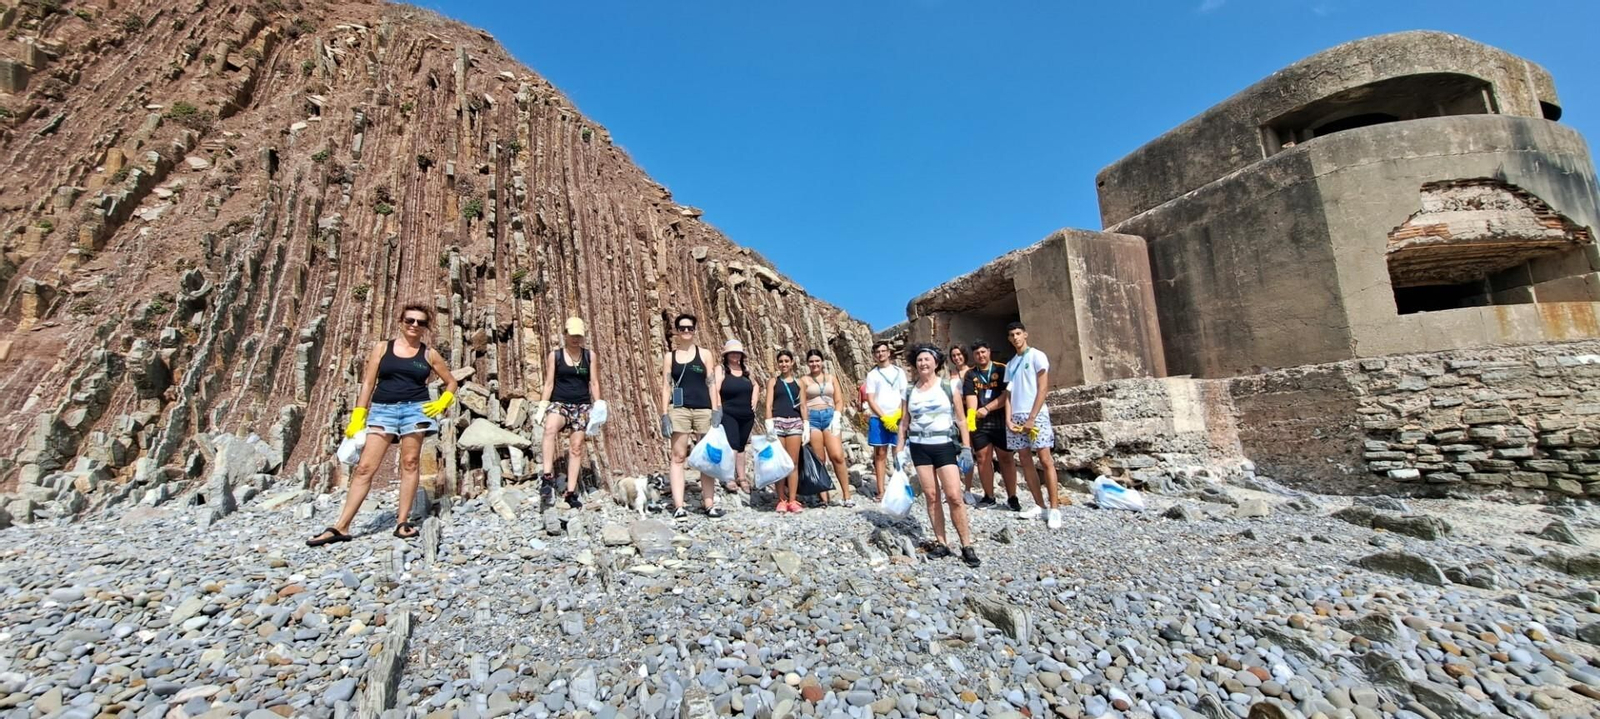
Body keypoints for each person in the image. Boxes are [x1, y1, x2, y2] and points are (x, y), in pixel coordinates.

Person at [308, 303, 458, 546]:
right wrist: (358, 415)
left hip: (415, 410)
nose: (414, 325)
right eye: (410, 320)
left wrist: (443, 402)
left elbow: (451, 382)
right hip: (382, 411)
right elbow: (368, 384)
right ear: (400, 321)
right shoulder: (382, 348)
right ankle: (341, 526)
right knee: (365, 467)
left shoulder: (429, 354)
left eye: (420, 322)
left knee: (409, 463)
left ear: (425, 327)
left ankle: (402, 522)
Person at [896, 344, 979, 567]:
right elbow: (904, 422)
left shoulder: (949, 385)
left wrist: (966, 447)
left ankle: (966, 545)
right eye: (919, 360)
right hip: (920, 446)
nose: (923, 363)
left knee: (953, 495)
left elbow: (961, 419)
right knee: (931, 496)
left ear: (936, 362)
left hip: (944, 445)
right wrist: (899, 450)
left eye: (927, 359)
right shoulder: (909, 390)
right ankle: (941, 542)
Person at [659, 313, 723, 520]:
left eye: (690, 328)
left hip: (703, 409)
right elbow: (666, 386)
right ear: (676, 331)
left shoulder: (704, 354)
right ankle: (679, 505)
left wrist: (716, 409)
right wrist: (664, 414)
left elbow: (711, 382)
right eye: (682, 328)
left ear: (695, 330)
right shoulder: (670, 357)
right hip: (679, 410)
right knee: (678, 457)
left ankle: (709, 504)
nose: (686, 331)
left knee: (706, 458)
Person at [1003, 321, 1063, 530]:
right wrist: (1008, 419)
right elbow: (1008, 395)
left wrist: (1032, 417)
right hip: (1017, 415)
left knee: (1045, 459)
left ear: (1025, 334)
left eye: (1018, 333)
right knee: (1025, 460)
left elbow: (1042, 387)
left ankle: (1055, 508)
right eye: (1012, 335)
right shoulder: (1010, 364)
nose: (1015, 338)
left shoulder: (1037, 355)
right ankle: (1040, 505)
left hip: (1035, 414)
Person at [536, 317, 599, 510]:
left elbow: (594, 382)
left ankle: (570, 493)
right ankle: (547, 476)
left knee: (577, 447)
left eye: (578, 335)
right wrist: (542, 406)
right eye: (572, 335)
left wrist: (599, 405)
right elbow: (549, 383)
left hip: (581, 405)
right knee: (549, 428)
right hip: (560, 402)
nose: (575, 339)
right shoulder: (555, 356)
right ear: (565, 334)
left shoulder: (589, 356)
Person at [964, 340, 1019, 509]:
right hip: (981, 424)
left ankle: (1012, 497)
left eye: (983, 352)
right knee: (982, 459)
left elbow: (1006, 396)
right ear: (973, 356)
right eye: (977, 353)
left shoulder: (1001, 369)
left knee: (1006, 458)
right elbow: (970, 399)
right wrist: (972, 417)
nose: (980, 356)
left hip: (1001, 420)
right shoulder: (970, 374)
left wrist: (987, 408)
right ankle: (989, 496)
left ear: (988, 352)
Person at [800, 349, 853, 507]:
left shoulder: (831, 378)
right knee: (819, 458)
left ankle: (847, 495)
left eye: (817, 361)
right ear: (808, 363)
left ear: (822, 362)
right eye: (811, 361)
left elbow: (839, 400)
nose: (814, 364)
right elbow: (802, 403)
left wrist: (837, 416)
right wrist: (805, 423)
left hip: (830, 417)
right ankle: (823, 498)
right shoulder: (804, 380)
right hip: (813, 418)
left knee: (837, 455)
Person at [712, 339, 760, 496]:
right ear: (726, 355)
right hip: (729, 412)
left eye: (737, 352)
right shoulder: (721, 369)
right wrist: (718, 407)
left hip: (746, 414)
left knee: (741, 446)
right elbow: (715, 388)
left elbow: (756, 385)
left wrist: (754, 400)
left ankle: (742, 477)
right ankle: (729, 477)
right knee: (732, 444)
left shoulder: (746, 370)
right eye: (731, 352)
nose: (735, 355)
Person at [862, 341, 908, 499]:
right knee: (880, 454)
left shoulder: (898, 372)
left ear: (889, 353)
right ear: (874, 355)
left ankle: (899, 487)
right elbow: (871, 398)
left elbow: (904, 394)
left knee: (898, 453)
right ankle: (881, 491)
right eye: (877, 352)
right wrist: (884, 416)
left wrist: (899, 414)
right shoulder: (872, 374)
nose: (880, 354)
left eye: (883, 351)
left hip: (897, 417)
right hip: (879, 417)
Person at [764, 350, 806, 513]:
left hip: (795, 422)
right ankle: (781, 499)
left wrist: (806, 424)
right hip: (778, 422)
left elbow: (802, 405)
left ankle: (793, 500)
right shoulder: (773, 382)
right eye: (781, 361)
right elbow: (768, 404)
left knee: (793, 463)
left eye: (786, 361)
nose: (784, 364)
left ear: (792, 362)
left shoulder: (799, 382)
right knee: (780, 463)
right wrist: (768, 424)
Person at [946, 343, 975, 499]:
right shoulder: (950, 374)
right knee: (952, 453)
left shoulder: (972, 372)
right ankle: (955, 488)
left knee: (968, 451)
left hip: (968, 416)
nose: (957, 358)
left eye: (959, 354)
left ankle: (968, 489)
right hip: (953, 417)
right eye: (954, 356)